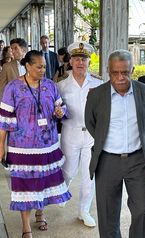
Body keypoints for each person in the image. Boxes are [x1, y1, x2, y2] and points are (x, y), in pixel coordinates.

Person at [0, 50, 71, 238]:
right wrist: (0, 146)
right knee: (25, 185)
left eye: (44, 66)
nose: (43, 70)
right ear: (27, 66)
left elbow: (60, 106)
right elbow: (4, 120)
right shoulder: (13, 88)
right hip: (22, 146)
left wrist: (60, 111)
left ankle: (40, 212)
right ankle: (26, 226)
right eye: (39, 66)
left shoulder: (50, 86)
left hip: (47, 145)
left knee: (43, 180)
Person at [85, 49, 145, 238]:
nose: (120, 77)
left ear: (132, 70)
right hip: (107, 161)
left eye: (125, 72)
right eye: (115, 72)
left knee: (141, 209)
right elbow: (91, 123)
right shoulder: (97, 95)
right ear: (108, 71)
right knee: (108, 214)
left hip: (138, 160)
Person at [57, 42, 102, 227]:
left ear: (89, 61)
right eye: (76, 59)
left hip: (91, 136)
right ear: (70, 61)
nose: (80, 62)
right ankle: (61, 192)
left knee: (89, 175)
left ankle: (84, 210)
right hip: (70, 133)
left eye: (83, 59)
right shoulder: (61, 86)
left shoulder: (99, 84)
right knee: (68, 170)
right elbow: (56, 109)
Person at [0, 38, 27, 107]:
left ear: (23, 50)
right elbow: (2, 88)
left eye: (16, 48)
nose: (13, 51)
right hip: (14, 105)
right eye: (12, 49)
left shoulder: (33, 65)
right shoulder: (7, 67)